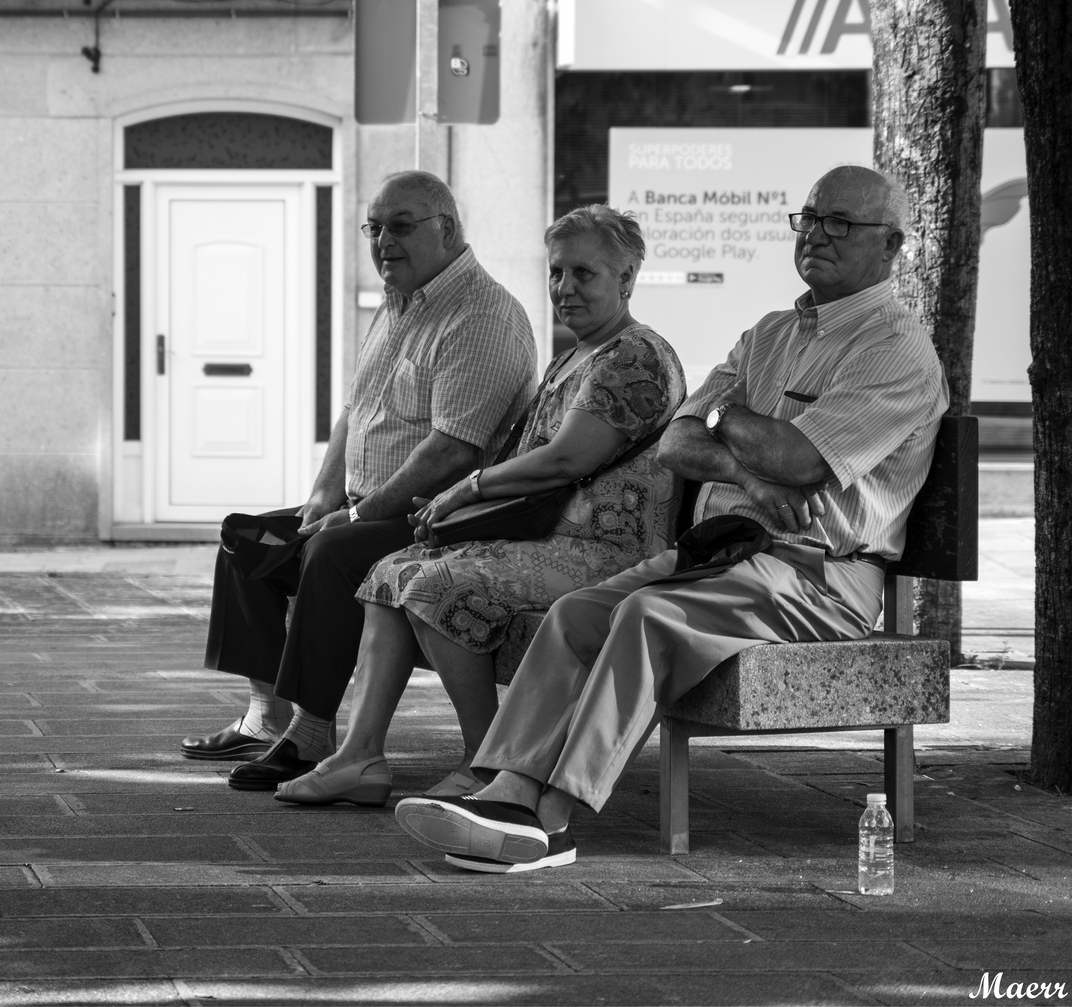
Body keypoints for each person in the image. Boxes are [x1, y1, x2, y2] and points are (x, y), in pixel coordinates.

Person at [392, 165, 948, 873]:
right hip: (721, 553)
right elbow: (680, 440)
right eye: (807, 218)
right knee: (576, 614)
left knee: (643, 617)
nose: (815, 235)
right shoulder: (770, 332)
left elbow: (801, 460)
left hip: (816, 579)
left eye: (840, 223)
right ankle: (503, 787)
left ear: (892, 245)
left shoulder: (894, 348)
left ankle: (549, 824)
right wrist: (738, 453)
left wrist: (730, 419)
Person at [272, 206, 686, 809]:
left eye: (583, 275)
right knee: (388, 574)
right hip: (549, 541)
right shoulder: (574, 357)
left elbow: (565, 460)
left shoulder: (635, 357)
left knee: (434, 585)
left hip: (609, 553)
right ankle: (358, 756)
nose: (564, 289)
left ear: (625, 280)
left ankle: (482, 763)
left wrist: (466, 489)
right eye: (556, 273)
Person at [181, 170, 537, 791]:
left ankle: (312, 733)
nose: (381, 243)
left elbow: (453, 450)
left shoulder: (482, 315)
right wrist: (323, 493)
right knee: (246, 541)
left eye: (399, 227)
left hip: (438, 517)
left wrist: (355, 514)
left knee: (332, 553)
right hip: (364, 503)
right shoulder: (397, 301)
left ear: (446, 229)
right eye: (374, 228)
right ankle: (267, 718)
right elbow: (357, 407)